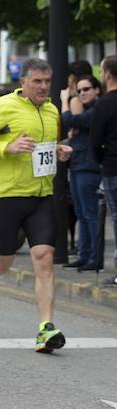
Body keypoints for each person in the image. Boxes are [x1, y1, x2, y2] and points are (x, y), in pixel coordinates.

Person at [0, 58, 72, 352]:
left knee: (44, 258)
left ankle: (45, 328)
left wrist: (59, 150)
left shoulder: (51, 110)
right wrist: (6, 147)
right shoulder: (3, 107)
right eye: (37, 81)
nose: (42, 87)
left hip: (42, 195)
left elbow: (46, 147)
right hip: (8, 194)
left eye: (46, 81)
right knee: (2, 262)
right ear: (22, 83)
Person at [60, 75, 101, 271]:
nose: (82, 93)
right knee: (81, 212)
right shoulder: (86, 111)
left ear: (97, 90)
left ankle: (95, 256)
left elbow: (67, 120)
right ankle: (85, 255)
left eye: (86, 89)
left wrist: (64, 102)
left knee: (90, 213)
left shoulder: (95, 111)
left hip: (88, 167)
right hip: (77, 165)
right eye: (79, 90)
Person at [90, 55, 117, 285]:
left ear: (108, 74)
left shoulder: (104, 104)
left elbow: (95, 140)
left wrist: (101, 160)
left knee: (116, 218)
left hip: (112, 167)